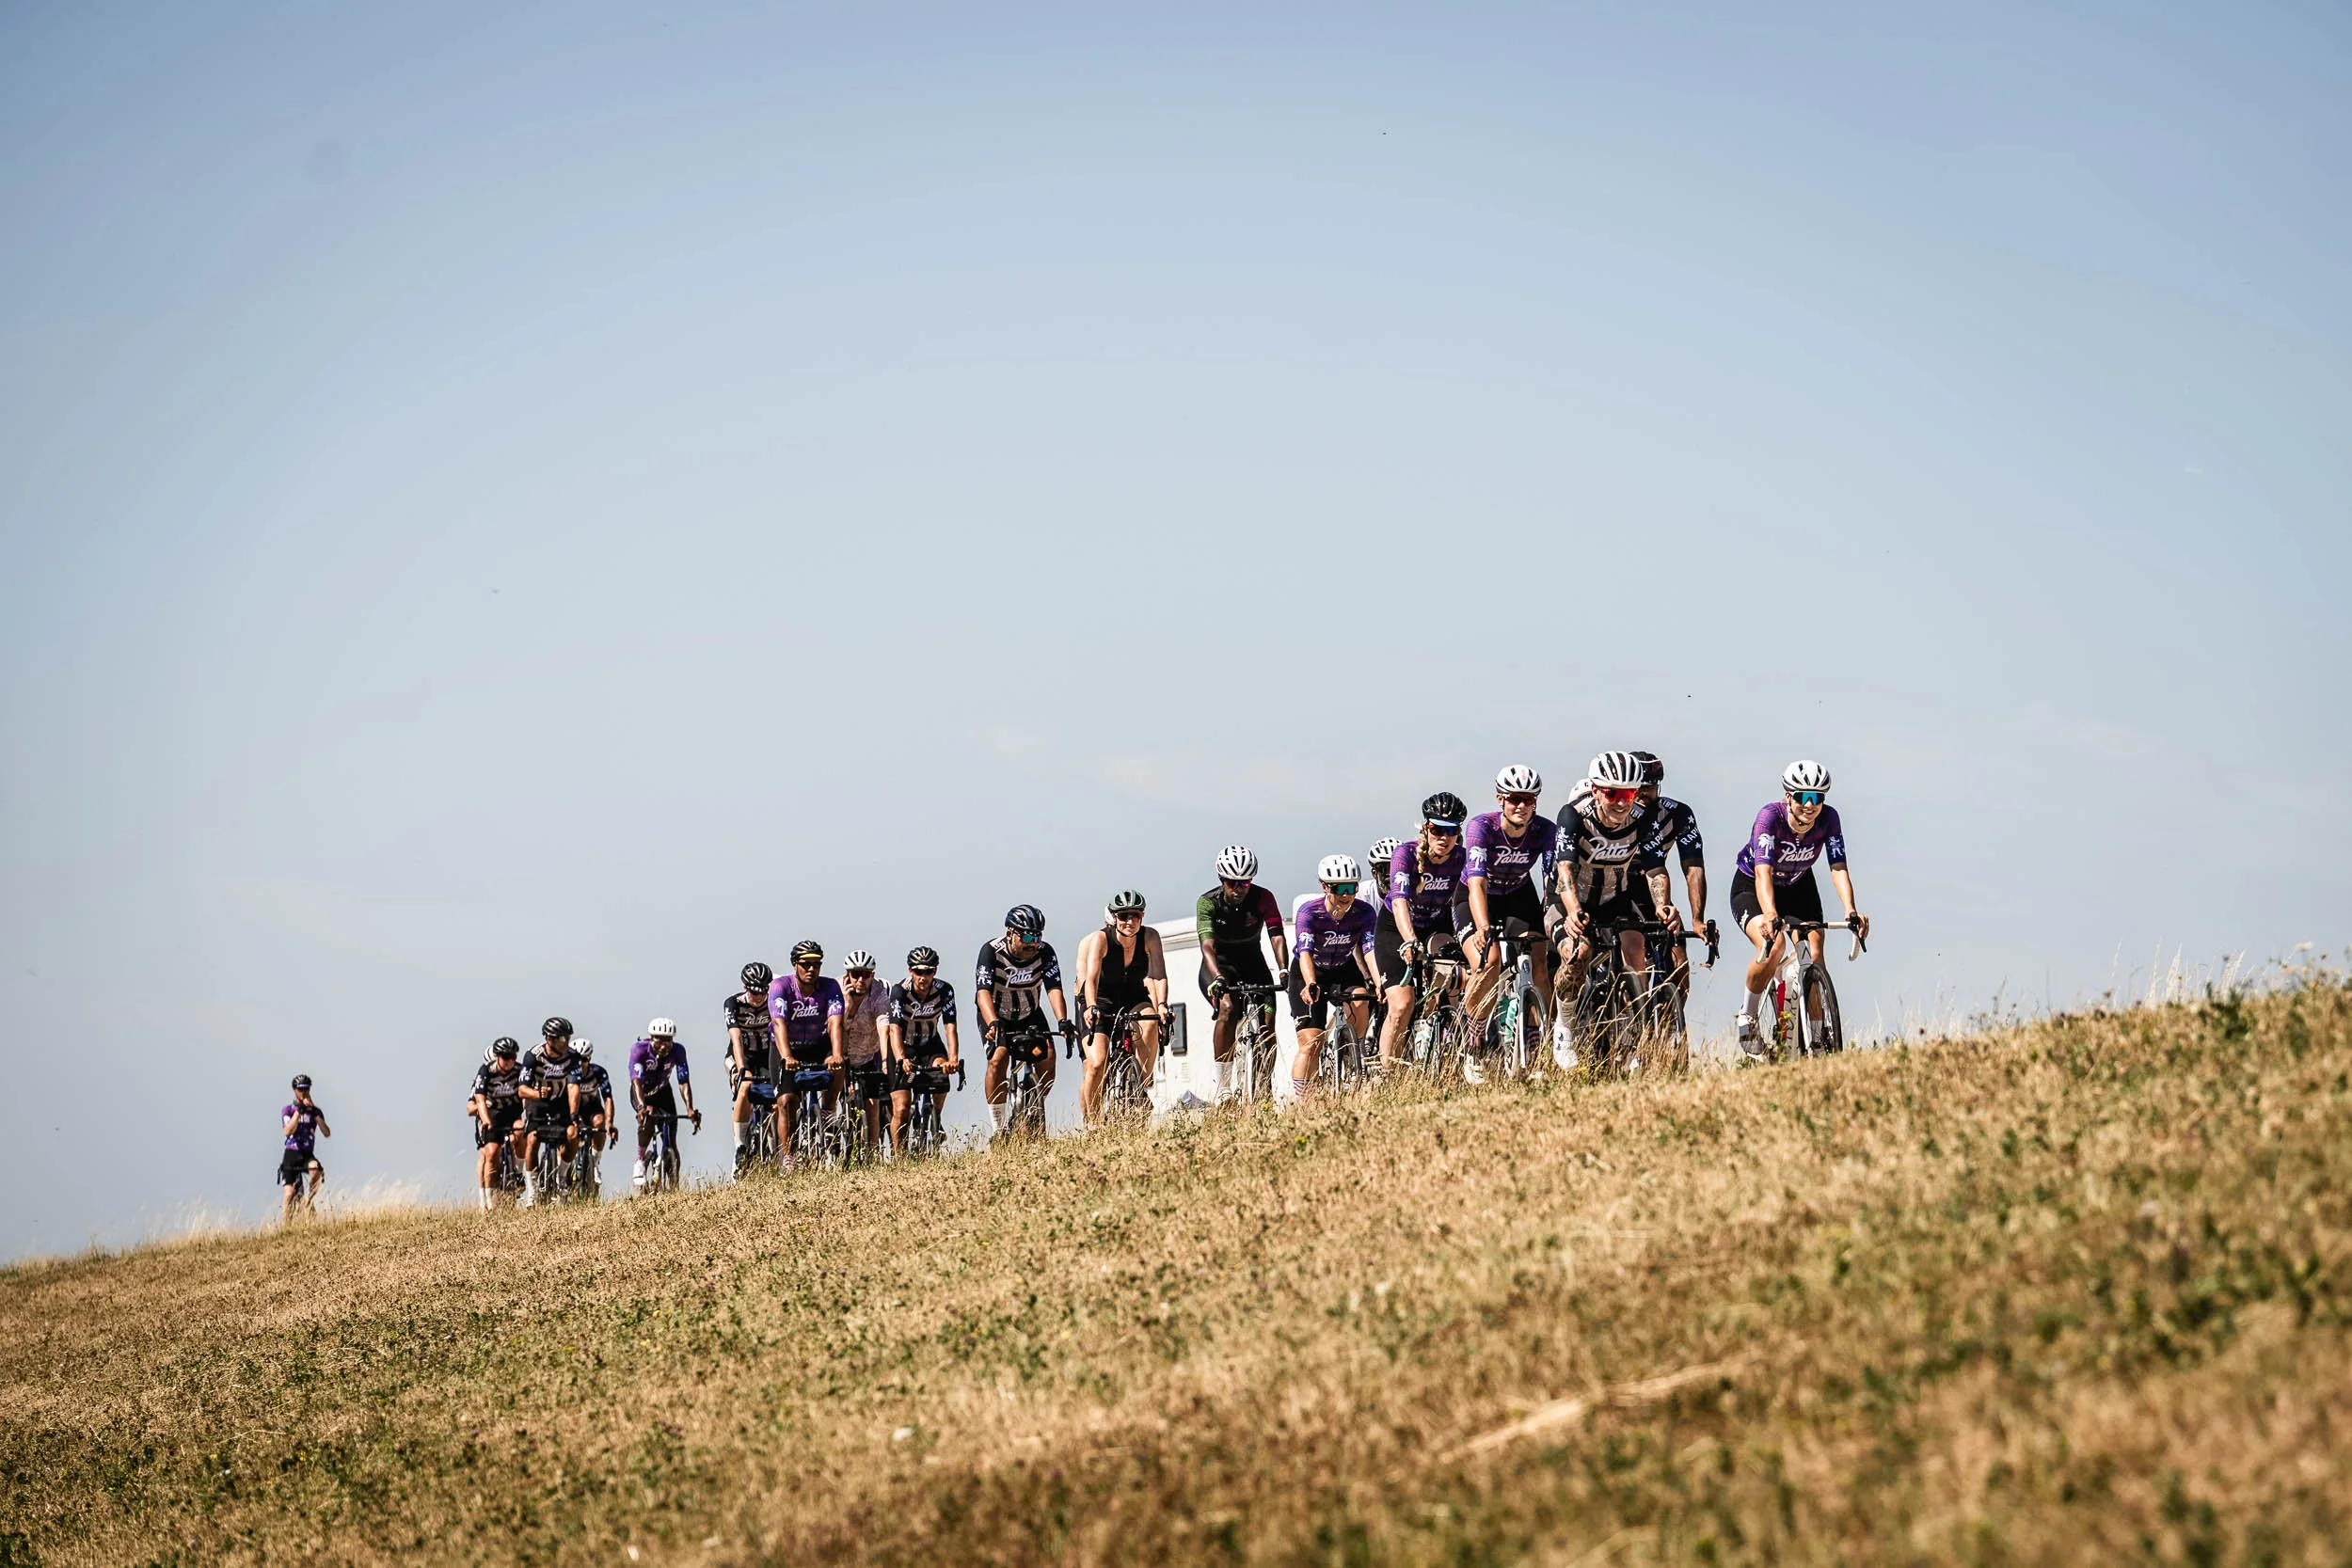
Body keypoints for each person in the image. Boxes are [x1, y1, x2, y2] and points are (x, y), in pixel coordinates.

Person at [1732, 761, 1871, 1058]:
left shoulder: (1829, 819)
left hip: (1798, 885)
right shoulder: (1770, 818)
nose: (1810, 805)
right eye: (1803, 797)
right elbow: (1763, 873)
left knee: (1814, 954)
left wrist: (1851, 910)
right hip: (1754, 887)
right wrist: (1770, 914)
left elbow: (1838, 867)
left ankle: (1819, 1038)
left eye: (1817, 798)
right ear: (1788, 796)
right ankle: (1748, 1015)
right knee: (1774, 946)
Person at [1550, 751, 1675, 1041]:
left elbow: (1656, 868)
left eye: (1629, 793)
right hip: (1570, 899)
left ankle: (1637, 1028)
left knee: (1635, 945)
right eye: (1612, 793)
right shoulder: (1573, 815)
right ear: (1595, 790)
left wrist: (1663, 905)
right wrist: (1572, 911)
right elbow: (1565, 869)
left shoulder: (1643, 819)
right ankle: (1564, 1027)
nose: (1621, 802)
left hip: (1614, 898)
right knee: (1578, 954)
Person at [1457, 765, 1560, 1029]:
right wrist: (1482, 926)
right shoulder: (1482, 827)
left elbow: (1552, 878)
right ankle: (1475, 1034)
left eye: (1529, 800)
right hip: (1478, 896)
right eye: (1514, 799)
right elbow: (1477, 882)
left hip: (1518, 893)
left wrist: (1553, 914)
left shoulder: (1545, 830)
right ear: (1500, 799)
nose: (1522, 806)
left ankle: (1543, 1039)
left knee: (1539, 963)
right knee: (1490, 962)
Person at [1376, 793, 1470, 1069]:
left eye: (1451, 831)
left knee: (1450, 981)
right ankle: (1388, 1074)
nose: (1444, 837)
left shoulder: (1461, 858)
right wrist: (1410, 941)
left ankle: (1446, 1050)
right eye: (1437, 830)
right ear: (1425, 829)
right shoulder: (1404, 854)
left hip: (1436, 926)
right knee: (1402, 1005)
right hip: (1397, 928)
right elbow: (1399, 899)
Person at [1194, 847, 1292, 1101]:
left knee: (1267, 1029)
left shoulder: (1263, 898)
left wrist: (1283, 970)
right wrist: (1217, 977)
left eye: (1245, 882)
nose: (1239, 888)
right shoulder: (1208, 903)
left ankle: (1263, 1090)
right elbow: (1207, 945)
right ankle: (1224, 1086)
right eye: (1232, 882)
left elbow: (1276, 935)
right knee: (1228, 1009)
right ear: (1221, 880)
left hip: (1253, 965)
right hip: (1219, 966)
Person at [974, 904, 1074, 1140]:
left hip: (1030, 1013)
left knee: (1048, 1057)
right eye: (1027, 936)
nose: (1033, 943)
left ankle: (1033, 1105)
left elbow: (1054, 988)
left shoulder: (1045, 952)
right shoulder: (991, 951)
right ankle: (999, 1128)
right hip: (997, 1016)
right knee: (998, 1059)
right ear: (1010, 933)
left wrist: (1062, 1020)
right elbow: (982, 993)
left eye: (1037, 936)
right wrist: (992, 1024)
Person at [1076, 890, 1169, 1124]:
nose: (1130, 921)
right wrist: (1091, 1006)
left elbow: (1158, 975)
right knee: (1097, 1063)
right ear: (1114, 918)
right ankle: (1094, 1124)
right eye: (1123, 916)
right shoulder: (1100, 939)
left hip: (1132, 995)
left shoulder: (1150, 937)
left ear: (1142, 916)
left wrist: (1162, 1006)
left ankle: (1140, 1086)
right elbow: (1092, 978)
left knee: (1150, 1020)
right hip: (1100, 997)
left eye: (1135, 916)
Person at [1291, 854, 1380, 1092]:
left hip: (1343, 966)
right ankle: (1303, 1102)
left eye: (1352, 887)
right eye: (1340, 888)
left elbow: (1369, 948)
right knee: (1310, 1043)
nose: (1346, 895)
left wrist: (1380, 982)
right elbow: (1306, 951)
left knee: (1362, 1001)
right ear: (1324, 887)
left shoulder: (1364, 912)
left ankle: (1355, 1052)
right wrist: (1310, 983)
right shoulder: (1309, 912)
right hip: (1309, 970)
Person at [1629, 751, 1710, 1006]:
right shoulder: (1618, 813)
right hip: (1616, 887)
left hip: (1653, 887)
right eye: (1637, 787)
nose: (1643, 793)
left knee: (1679, 963)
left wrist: (1697, 919)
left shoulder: (1678, 814)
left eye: (1650, 787)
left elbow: (1694, 868)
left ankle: (1663, 1038)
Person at [767, 942, 846, 1167]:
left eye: (816, 964)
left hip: (818, 1044)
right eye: (805, 964)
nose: (812, 969)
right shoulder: (780, 987)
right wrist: (787, 1057)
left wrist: (837, 1054)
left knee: (839, 1063)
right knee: (786, 1102)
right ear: (795, 965)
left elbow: (835, 1022)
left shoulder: (830, 986)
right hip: (786, 1047)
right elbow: (779, 1024)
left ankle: (828, 1112)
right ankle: (789, 1158)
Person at [886, 946, 962, 1150]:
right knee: (901, 1108)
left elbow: (950, 1026)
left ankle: (936, 1117)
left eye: (928, 971)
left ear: (935, 971)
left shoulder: (944, 990)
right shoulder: (899, 991)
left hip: (930, 1043)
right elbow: (893, 1029)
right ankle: (899, 1156)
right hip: (903, 1046)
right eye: (919, 971)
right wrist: (901, 1058)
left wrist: (953, 1058)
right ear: (910, 971)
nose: (923, 977)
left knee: (941, 1070)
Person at [628, 1019, 701, 1190]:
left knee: (671, 1139)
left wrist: (690, 1108)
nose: (663, 1046)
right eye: (659, 1041)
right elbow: (636, 1082)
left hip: (663, 1091)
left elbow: (683, 1082)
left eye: (667, 1041)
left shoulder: (678, 1051)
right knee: (649, 1115)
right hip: (642, 1093)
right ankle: (639, 1160)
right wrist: (641, 1107)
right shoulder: (639, 1050)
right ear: (651, 1038)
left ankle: (672, 1178)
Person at [518, 1018, 580, 1206]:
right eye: (563, 1039)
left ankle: (562, 1178)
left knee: (572, 1135)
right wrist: (537, 1093)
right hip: (537, 1102)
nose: (567, 1043)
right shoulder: (533, 1056)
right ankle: (533, 1188)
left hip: (561, 1101)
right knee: (532, 1139)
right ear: (550, 1039)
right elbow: (522, 1089)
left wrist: (573, 1115)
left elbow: (573, 1088)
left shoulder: (572, 1057)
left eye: (568, 1038)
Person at [724, 961, 779, 1174]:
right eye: (754, 992)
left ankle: (777, 1150)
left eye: (764, 991)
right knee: (745, 1088)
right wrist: (742, 1069)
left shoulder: (773, 1002)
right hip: (740, 1056)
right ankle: (740, 1145)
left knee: (777, 1100)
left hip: (766, 1056)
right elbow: (736, 1039)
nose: (759, 997)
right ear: (746, 987)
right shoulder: (733, 1004)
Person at [837, 950, 892, 1153]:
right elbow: (836, 1026)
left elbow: (883, 1025)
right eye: (856, 974)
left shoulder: (878, 992)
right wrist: (849, 1005)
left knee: (873, 1103)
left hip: (868, 1053)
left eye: (866, 974)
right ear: (848, 974)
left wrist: (886, 1061)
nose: (860, 979)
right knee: (839, 1098)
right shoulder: (837, 988)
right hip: (842, 1055)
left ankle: (872, 1151)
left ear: (873, 975)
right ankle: (834, 1139)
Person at [468, 1037, 527, 1209]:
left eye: (513, 1057)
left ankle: (518, 1171)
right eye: (506, 1057)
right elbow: (478, 1099)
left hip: (512, 1111)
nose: (510, 1061)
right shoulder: (487, 1071)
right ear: (498, 1057)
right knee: (491, 1153)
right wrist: (486, 1121)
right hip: (493, 1114)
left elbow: (526, 1090)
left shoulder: (519, 1069)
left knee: (520, 1131)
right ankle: (488, 1200)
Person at [278, 1074, 330, 1222]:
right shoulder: (288, 1110)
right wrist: (298, 1112)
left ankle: (309, 1202)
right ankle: (286, 1225)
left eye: (306, 1089)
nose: (304, 1092)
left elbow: (326, 1133)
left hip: (307, 1153)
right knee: (289, 1194)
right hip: (291, 1154)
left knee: (316, 1170)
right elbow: (287, 1131)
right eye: (300, 1089)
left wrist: (315, 1114)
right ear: (295, 1090)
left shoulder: (316, 1112)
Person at [570, 1038, 617, 1192]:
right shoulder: (567, 1073)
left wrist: (609, 1123)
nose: (580, 1063)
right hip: (572, 1109)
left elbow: (608, 1098)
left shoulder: (598, 1073)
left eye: (583, 1060)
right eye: (576, 1059)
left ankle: (595, 1162)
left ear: (589, 1059)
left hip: (592, 1107)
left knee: (600, 1123)